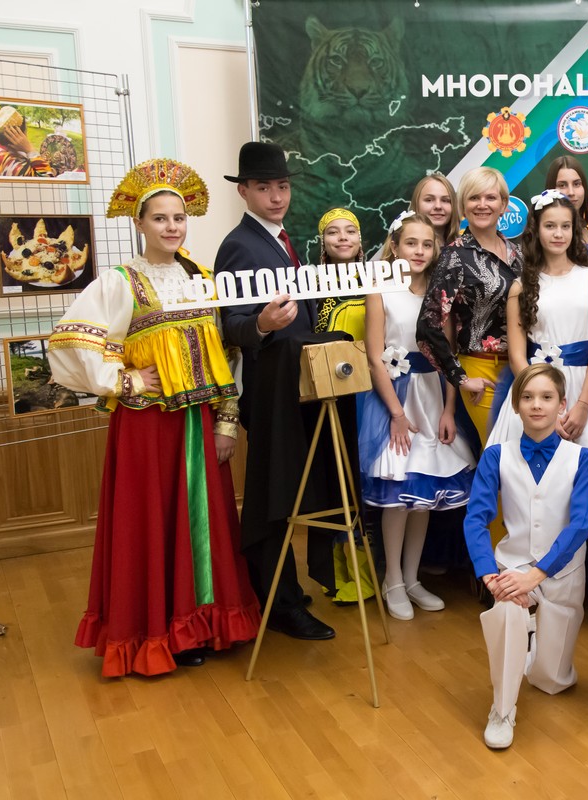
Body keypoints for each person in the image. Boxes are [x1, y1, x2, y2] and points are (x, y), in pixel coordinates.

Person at [49, 158, 260, 676]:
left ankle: (202, 624)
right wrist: (123, 380)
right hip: (147, 427)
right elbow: (71, 341)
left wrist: (226, 421)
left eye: (179, 218)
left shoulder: (204, 279)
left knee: (203, 523)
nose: (171, 227)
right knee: (152, 523)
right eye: (160, 218)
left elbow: (226, 355)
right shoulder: (120, 282)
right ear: (139, 223)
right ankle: (158, 631)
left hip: (199, 422)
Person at [216, 141, 335, 641]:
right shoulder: (239, 246)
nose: (276, 196)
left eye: (282, 186)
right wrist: (261, 324)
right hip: (269, 391)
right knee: (273, 494)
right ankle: (277, 602)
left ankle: (283, 589)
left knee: (292, 489)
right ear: (243, 191)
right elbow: (230, 324)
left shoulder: (284, 240)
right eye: (264, 187)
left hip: (299, 384)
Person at [464, 363, 588, 749]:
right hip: (513, 563)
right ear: (516, 405)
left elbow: (580, 525)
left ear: (562, 405)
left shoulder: (583, 458)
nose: (536, 405)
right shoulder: (496, 456)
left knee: (551, 681)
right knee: (507, 607)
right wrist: (490, 576)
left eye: (546, 397)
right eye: (527, 397)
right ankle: (502, 709)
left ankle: (537, 643)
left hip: (562, 571)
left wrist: (536, 576)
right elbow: (476, 519)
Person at [361, 211, 477, 620]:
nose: (420, 251)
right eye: (411, 243)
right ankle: (392, 579)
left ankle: (412, 578)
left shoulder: (441, 294)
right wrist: (395, 413)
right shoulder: (381, 291)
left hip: (432, 397)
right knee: (399, 491)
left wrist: (449, 408)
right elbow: (374, 357)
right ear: (395, 246)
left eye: (428, 244)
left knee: (424, 496)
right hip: (396, 399)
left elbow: (449, 356)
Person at [488, 190, 588, 486]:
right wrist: (540, 402)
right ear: (537, 230)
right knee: (530, 482)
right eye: (550, 226)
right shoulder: (521, 286)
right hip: (536, 388)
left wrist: (583, 405)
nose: (558, 234)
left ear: (574, 230)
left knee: (587, 482)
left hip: (584, 388)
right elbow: (517, 355)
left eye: (565, 226)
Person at [417, 166, 523, 449]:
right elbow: (428, 326)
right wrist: (460, 378)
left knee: (526, 454)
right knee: (500, 452)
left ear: (504, 205)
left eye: (491, 197)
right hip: (482, 371)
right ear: (463, 206)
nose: (482, 204)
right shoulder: (455, 255)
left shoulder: (520, 254)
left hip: (523, 368)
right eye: (474, 198)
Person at [314, 207, 367, 339]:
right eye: (333, 232)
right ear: (323, 241)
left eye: (350, 231)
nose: (343, 237)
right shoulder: (312, 287)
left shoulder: (376, 282)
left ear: (359, 238)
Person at [546, 155, 588, 254]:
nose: (571, 192)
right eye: (562, 185)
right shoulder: (536, 242)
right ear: (550, 189)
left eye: (576, 184)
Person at [0, 108, 56, 178]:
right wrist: (30, 150)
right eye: (25, 131)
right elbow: (47, 178)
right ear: (18, 135)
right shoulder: (7, 162)